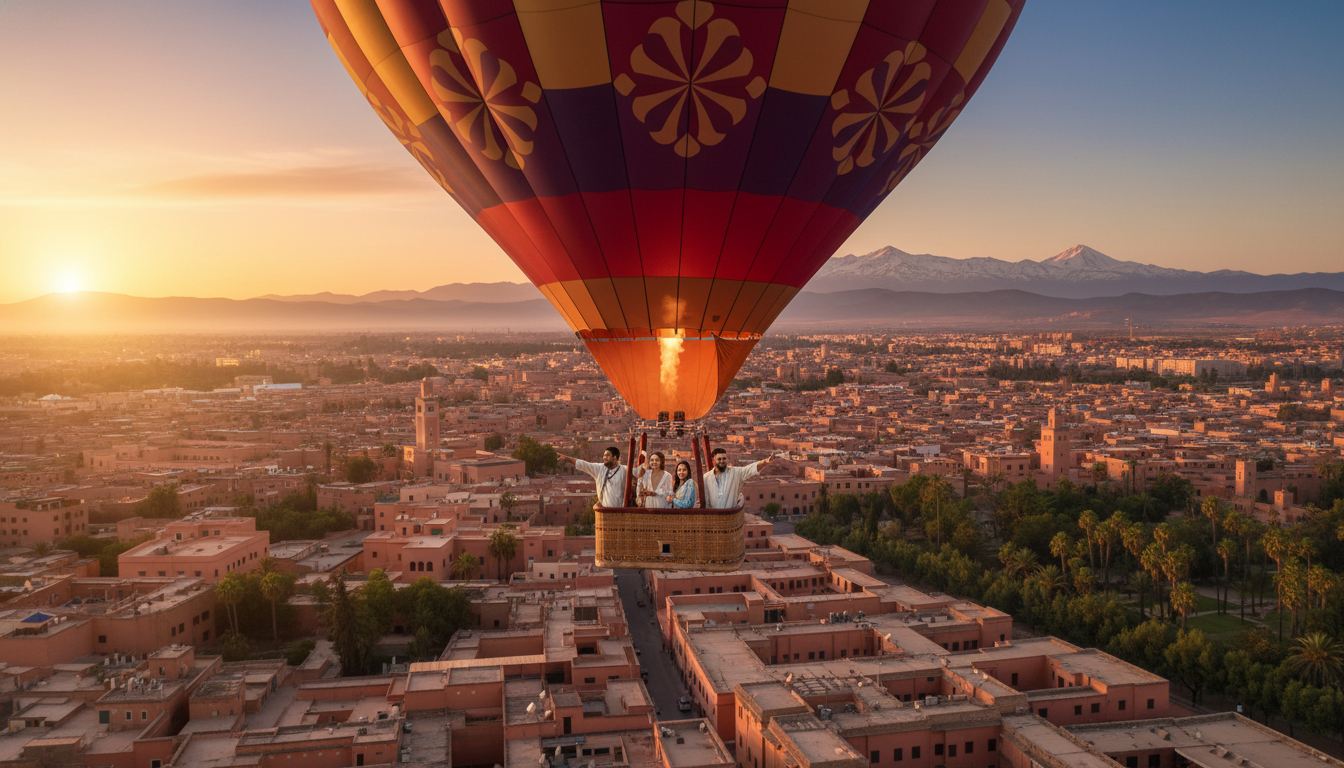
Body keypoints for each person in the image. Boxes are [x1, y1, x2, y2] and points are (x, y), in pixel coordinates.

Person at [557, 446, 627, 508]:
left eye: (607, 455)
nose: (604, 457)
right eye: (604, 455)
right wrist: (567, 459)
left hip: (620, 511)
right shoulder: (599, 468)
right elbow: (584, 465)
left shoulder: (624, 470)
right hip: (605, 512)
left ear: (615, 458)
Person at [703, 448, 775, 509]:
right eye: (719, 459)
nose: (722, 461)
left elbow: (750, 469)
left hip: (730, 518)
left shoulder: (735, 473)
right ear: (713, 461)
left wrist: (766, 461)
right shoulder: (706, 477)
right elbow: (706, 499)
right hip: (713, 518)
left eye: (724, 458)